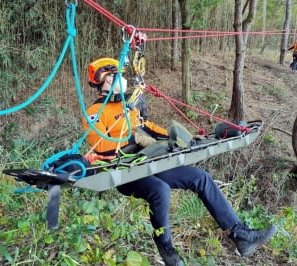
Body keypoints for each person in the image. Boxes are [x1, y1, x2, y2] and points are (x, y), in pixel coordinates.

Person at [82, 57, 277, 266]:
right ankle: (166, 247)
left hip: (148, 161)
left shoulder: (128, 106)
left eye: (120, 75)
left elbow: (149, 127)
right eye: (115, 76)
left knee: (200, 178)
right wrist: (133, 136)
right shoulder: (93, 113)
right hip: (124, 172)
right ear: (103, 81)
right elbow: (102, 149)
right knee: (160, 190)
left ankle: (239, 234)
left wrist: (184, 139)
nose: (121, 79)